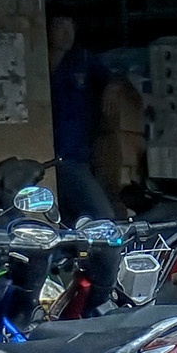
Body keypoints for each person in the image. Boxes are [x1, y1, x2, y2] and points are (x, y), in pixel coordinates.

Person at [48, 17, 117, 223]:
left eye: (71, 27)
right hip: (43, 158)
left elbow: (112, 77)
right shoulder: (34, 61)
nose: (67, 34)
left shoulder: (82, 60)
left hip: (74, 157)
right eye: (60, 26)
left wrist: (111, 89)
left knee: (102, 216)